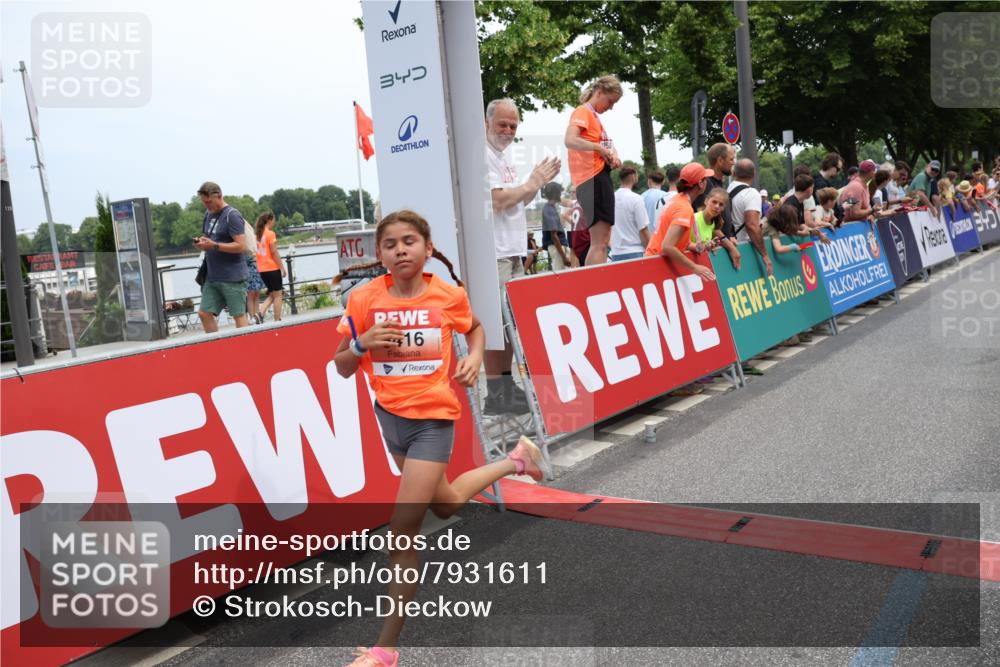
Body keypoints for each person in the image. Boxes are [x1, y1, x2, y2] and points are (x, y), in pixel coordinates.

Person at [333, 210, 549, 667]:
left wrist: (474, 357)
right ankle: (518, 459)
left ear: (427, 248)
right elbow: (342, 366)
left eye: (409, 241)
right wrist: (362, 342)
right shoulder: (364, 300)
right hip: (390, 418)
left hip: (433, 419)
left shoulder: (446, 295)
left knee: (402, 530)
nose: (400, 250)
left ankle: (385, 649)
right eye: (390, 244)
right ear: (380, 254)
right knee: (446, 503)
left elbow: (475, 328)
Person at [485, 98, 560, 414]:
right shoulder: (482, 155)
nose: (508, 130)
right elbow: (498, 200)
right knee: (497, 324)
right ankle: (496, 393)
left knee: (507, 326)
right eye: (502, 124)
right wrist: (532, 182)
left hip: (513, 250)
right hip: (495, 252)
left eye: (513, 125)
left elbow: (519, 198)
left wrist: (536, 183)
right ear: (487, 122)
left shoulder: (503, 157)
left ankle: (504, 388)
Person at [565, 75, 623, 265]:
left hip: (596, 177)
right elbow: (570, 139)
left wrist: (613, 155)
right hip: (592, 178)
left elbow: (608, 144)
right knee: (600, 242)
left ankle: (598, 277)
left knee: (601, 241)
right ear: (599, 92)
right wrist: (599, 148)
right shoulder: (583, 112)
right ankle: (597, 279)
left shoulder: (594, 118)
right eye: (610, 101)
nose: (611, 107)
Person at [194, 181, 250, 332]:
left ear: (218, 196)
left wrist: (214, 245)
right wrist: (202, 243)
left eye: (209, 202)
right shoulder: (208, 214)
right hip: (213, 276)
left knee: (238, 315)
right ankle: (216, 344)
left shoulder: (232, 216)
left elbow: (241, 246)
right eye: (204, 202)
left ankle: (245, 344)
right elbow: (210, 238)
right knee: (204, 313)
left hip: (233, 277)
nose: (207, 205)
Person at [645, 162, 715, 282]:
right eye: (705, 179)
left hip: (656, 261)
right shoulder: (684, 208)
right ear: (700, 184)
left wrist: (702, 246)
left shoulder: (678, 199)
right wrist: (695, 268)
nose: (707, 182)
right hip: (657, 264)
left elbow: (682, 243)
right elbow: (667, 246)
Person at [727, 159, 771, 275]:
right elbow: (752, 226)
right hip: (744, 249)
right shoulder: (751, 194)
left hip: (728, 247)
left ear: (734, 173)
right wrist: (765, 255)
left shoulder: (727, 190)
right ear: (754, 174)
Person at [692, 188, 741, 269]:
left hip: (701, 266)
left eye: (721, 205)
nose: (717, 206)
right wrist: (705, 247)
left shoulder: (713, 224)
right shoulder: (693, 219)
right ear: (706, 201)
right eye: (714, 202)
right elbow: (682, 244)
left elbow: (718, 237)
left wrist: (711, 245)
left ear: (723, 208)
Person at [610, 166, 650, 261]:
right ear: (633, 177)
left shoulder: (611, 198)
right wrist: (651, 248)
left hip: (615, 252)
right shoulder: (636, 199)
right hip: (634, 251)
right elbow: (643, 229)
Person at [255, 211, 286, 322]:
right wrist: (282, 267)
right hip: (272, 268)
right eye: (274, 220)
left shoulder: (257, 235)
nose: (274, 223)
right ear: (269, 220)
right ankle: (277, 320)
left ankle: (260, 313)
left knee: (273, 294)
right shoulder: (270, 234)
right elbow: (274, 252)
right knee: (278, 295)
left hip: (262, 270)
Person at [692, 143, 735, 210]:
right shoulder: (705, 184)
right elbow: (702, 213)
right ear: (720, 161)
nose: (733, 163)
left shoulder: (714, 182)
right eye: (731, 159)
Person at [541, 182, 571, 271]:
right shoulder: (549, 209)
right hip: (557, 247)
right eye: (559, 192)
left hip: (558, 246)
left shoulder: (550, 208)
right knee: (561, 273)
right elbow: (554, 235)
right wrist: (564, 257)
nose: (560, 195)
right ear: (555, 193)